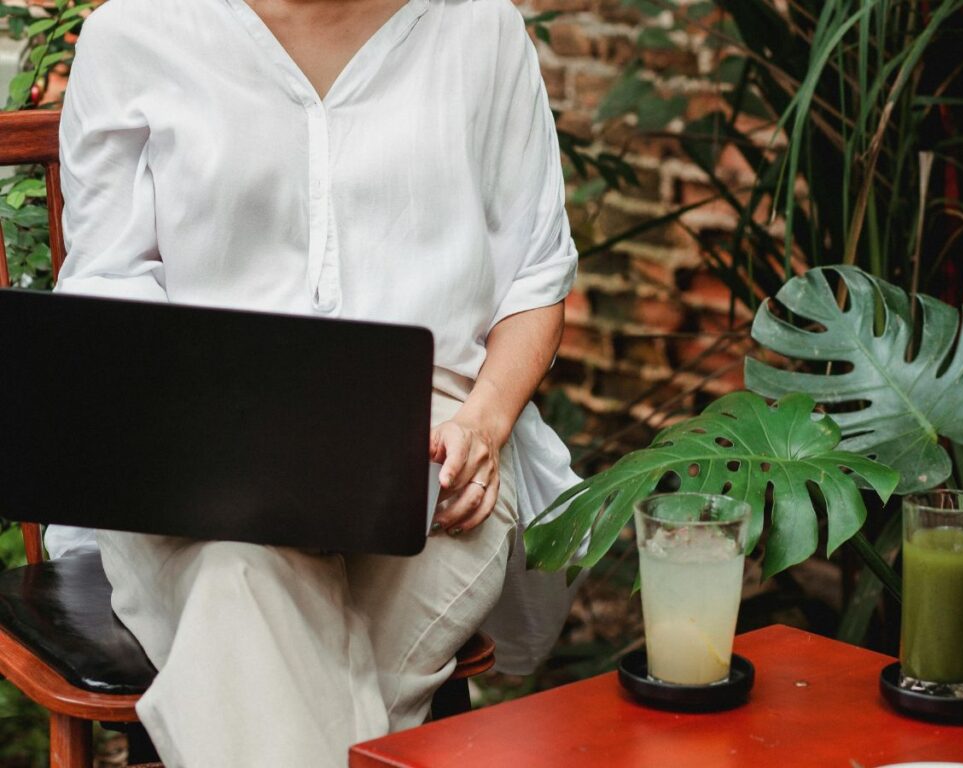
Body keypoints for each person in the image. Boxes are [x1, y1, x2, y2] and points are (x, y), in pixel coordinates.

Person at [46, 0, 581, 765]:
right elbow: (106, 283)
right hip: (196, 463)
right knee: (237, 570)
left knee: (235, 617)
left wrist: (485, 424)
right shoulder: (136, 33)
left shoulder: (479, 28)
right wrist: (198, 416)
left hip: (432, 458)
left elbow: (534, 279)